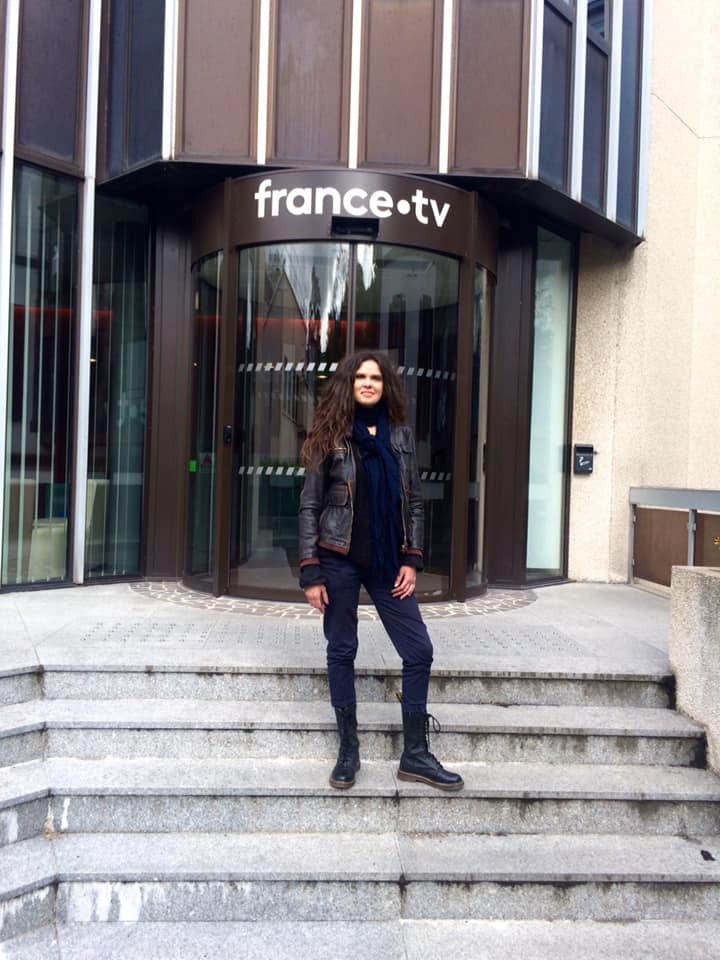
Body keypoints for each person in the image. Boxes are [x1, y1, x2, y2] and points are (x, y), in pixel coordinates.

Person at [298, 350, 463, 792]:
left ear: (385, 385)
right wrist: (311, 571)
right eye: (360, 377)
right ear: (348, 384)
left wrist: (412, 559)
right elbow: (310, 506)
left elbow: (414, 503)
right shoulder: (329, 435)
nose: (368, 383)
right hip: (338, 558)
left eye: (375, 377)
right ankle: (348, 749)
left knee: (419, 649)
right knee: (342, 649)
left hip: (389, 560)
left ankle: (415, 754)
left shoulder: (401, 438)